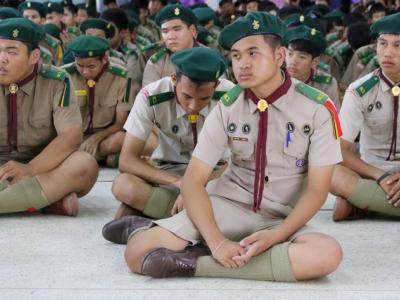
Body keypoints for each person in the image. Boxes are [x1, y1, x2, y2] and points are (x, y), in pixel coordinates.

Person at [102, 12, 343, 282]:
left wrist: (276, 235)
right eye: (237, 56)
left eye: (253, 54)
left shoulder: (318, 108)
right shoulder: (228, 106)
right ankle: (204, 245)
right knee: (137, 252)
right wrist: (217, 241)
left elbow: (317, 189)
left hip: (282, 217)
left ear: (279, 56)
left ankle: (194, 262)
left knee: (326, 254)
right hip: (227, 204)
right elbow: (193, 180)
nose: (242, 64)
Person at [108, 47, 233, 219]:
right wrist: (178, 182)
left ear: (216, 85)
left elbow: (239, 160)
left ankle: (156, 214)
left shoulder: (231, 98)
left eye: (204, 98)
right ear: (174, 79)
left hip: (215, 175)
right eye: (187, 96)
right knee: (123, 186)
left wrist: (194, 185)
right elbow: (127, 160)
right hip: (170, 172)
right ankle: (194, 218)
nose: (193, 106)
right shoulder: (151, 96)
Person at [0, 18, 98, 216]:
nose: (2, 58)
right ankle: (44, 201)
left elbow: (70, 135)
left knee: (85, 165)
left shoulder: (56, 80)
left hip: (43, 166)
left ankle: (21, 199)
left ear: (34, 56)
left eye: (11, 52)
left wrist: (29, 169)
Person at [330, 13, 400, 221]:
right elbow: (340, 149)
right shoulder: (359, 90)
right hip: (371, 171)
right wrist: (381, 176)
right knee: (327, 172)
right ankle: (377, 200)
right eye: (383, 44)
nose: (388, 53)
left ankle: (363, 205)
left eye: (397, 45)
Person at [63, 35, 134, 167]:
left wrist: (97, 137)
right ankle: (99, 158)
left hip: (105, 137)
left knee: (121, 139)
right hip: (72, 137)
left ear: (105, 60)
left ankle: (78, 158)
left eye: (91, 66)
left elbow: (120, 123)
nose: (85, 72)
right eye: (80, 66)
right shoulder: (64, 76)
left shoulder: (122, 78)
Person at [142, 4, 199, 87]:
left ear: (193, 31)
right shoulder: (157, 62)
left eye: (177, 29)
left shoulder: (210, 58)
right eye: (165, 31)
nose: (171, 36)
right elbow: (148, 97)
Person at [284, 25, 340, 109]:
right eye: (290, 54)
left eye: (302, 57)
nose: (292, 62)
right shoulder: (275, 78)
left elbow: (334, 117)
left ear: (315, 62)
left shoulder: (325, 85)